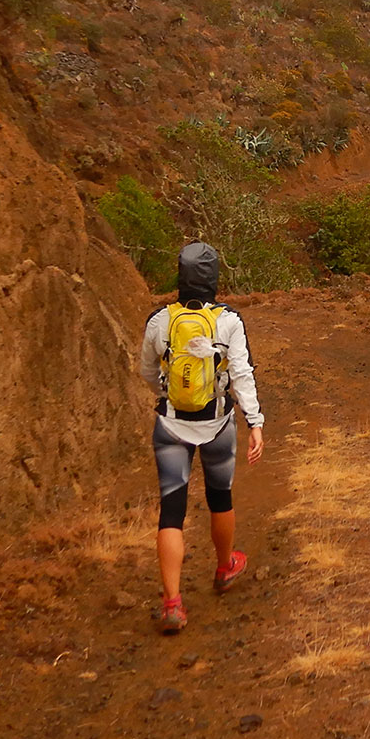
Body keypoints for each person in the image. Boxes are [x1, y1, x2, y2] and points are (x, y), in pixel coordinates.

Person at [138, 242, 265, 634]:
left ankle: (173, 603)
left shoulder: (159, 321)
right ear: (213, 280)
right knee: (219, 497)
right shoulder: (229, 322)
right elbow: (241, 374)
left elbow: (145, 371)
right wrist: (254, 420)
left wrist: (168, 389)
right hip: (217, 423)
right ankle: (225, 567)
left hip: (171, 424)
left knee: (171, 510)